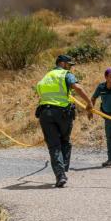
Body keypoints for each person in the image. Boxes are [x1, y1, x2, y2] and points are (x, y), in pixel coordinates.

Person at [35, 54, 93, 188]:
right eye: (69, 64)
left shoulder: (45, 77)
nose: (70, 67)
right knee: (64, 141)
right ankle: (63, 171)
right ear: (62, 63)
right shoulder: (65, 74)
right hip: (62, 114)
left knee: (54, 146)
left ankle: (60, 175)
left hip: (45, 114)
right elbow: (77, 88)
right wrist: (89, 103)